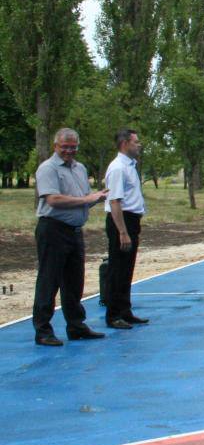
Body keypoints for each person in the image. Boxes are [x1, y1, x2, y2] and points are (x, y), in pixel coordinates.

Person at [32, 128, 108, 346]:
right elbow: (53, 200)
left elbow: (83, 198)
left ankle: (76, 325)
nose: (69, 151)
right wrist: (86, 200)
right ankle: (43, 331)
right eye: (64, 146)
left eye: (73, 147)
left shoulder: (80, 168)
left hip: (74, 231)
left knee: (74, 281)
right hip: (53, 229)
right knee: (49, 280)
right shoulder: (48, 168)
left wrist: (98, 197)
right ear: (56, 146)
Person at [103, 128, 148, 330]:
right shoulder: (118, 168)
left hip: (131, 220)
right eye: (136, 142)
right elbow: (114, 202)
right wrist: (122, 231)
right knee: (117, 269)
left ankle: (125, 311)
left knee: (127, 268)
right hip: (121, 221)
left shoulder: (130, 166)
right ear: (125, 143)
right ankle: (113, 315)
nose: (139, 145)